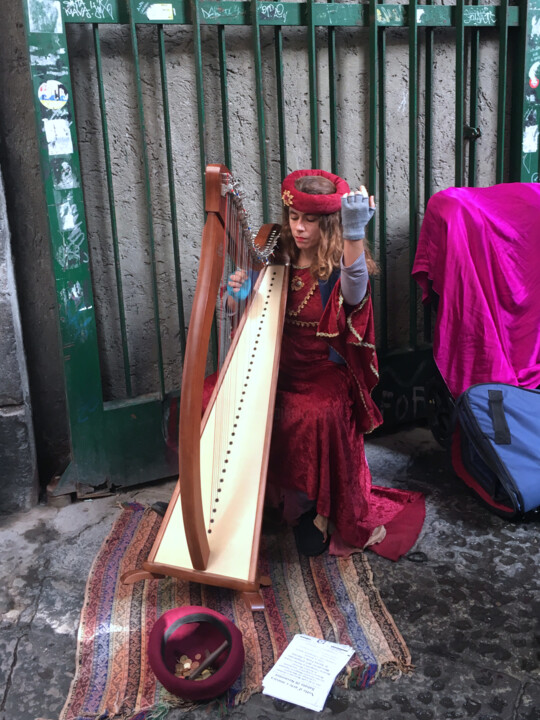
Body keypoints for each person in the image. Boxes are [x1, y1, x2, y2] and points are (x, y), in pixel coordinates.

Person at [228, 169, 425, 560]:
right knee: (214, 395)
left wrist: (354, 235)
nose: (299, 228)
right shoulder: (273, 249)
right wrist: (238, 292)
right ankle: (233, 501)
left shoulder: (339, 261)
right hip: (273, 363)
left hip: (323, 371)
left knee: (311, 414)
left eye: (310, 221)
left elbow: (355, 297)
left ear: (329, 223)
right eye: (294, 218)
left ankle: (307, 511)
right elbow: (242, 307)